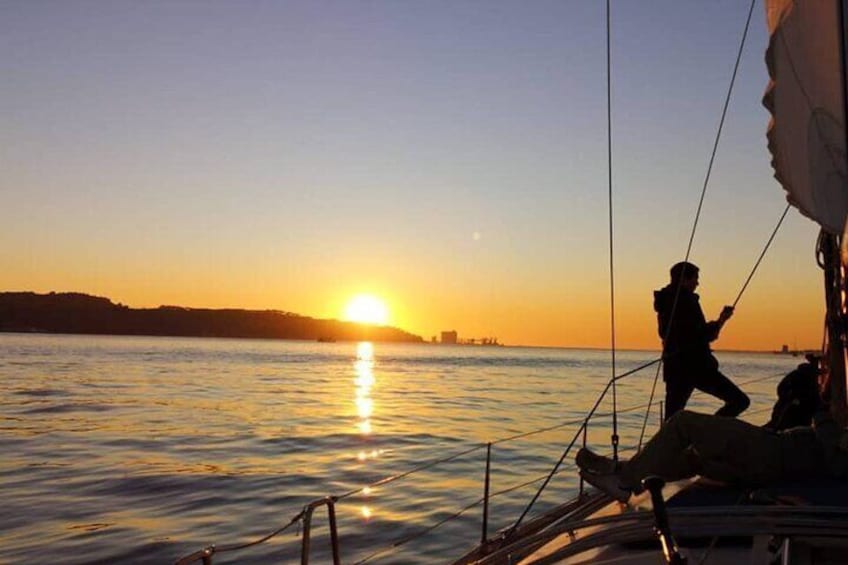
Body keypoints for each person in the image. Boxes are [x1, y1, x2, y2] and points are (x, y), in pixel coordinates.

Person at [576, 407, 848, 503]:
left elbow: (837, 462)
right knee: (695, 459)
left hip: (771, 453)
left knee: (684, 423)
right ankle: (630, 477)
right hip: (772, 455)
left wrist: (823, 416)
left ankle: (625, 478)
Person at [654, 261, 749, 420]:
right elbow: (699, 334)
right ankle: (709, 434)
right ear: (684, 279)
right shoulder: (684, 301)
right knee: (739, 401)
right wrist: (721, 320)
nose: (697, 283)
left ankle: (668, 444)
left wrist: (720, 322)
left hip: (675, 368)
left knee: (672, 418)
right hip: (695, 367)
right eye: (695, 279)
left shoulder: (667, 301)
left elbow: (684, 333)